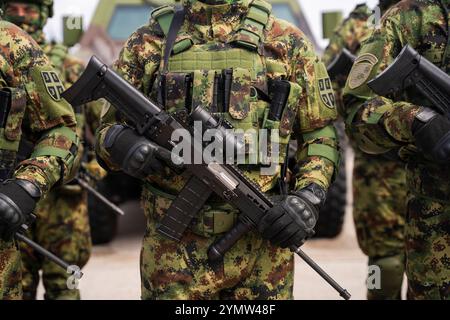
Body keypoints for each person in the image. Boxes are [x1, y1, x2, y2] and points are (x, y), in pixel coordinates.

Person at [96, 0, 340, 299]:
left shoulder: (287, 41)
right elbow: (106, 133)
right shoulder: (147, 42)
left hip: (262, 252)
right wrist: (123, 145)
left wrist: (307, 197)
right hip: (172, 255)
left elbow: (321, 135)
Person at [343, 0, 450, 300]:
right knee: (385, 263)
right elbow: (356, 107)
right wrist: (413, 120)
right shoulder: (410, 17)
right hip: (436, 224)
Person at [1, 0, 104, 300]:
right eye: (15, 7)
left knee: (64, 285)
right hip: (11, 196)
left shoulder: (64, 66)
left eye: (29, 9)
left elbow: (100, 127)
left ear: (44, 14)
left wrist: (94, 170)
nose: (21, 15)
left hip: (62, 203)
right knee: (24, 284)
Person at [323, 1, 406, 300]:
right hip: (407, 162)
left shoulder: (361, 24)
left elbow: (326, 87)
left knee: (383, 258)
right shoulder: (434, 18)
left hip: (378, 169)